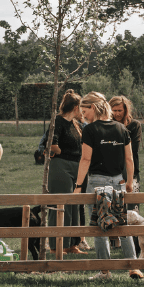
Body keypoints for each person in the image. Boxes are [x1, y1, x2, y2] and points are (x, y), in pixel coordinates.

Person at [75, 92, 144, 280]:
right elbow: (129, 159)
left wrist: (78, 185)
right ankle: (133, 267)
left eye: (85, 112)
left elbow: (85, 159)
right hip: (118, 181)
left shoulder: (90, 130)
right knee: (122, 225)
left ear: (93, 107)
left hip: (97, 181)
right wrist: (129, 182)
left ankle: (104, 271)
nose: (83, 116)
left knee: (100, 227)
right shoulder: (121, 128)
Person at [46, 91, 85, 254]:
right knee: (60, 204)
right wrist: (63, 153)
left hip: (76, 167)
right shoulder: (58, 121)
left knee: (74, 205)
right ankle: (56, 246)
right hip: (60, 166)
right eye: (81, 107)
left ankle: (71, 244)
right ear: (76, 107)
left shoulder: (76, 124)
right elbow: (51, 144)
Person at [109, 95, 142, 190]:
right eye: (114, 110)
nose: (117, 114)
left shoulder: (134, 125)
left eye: (120, 110)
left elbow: (134, 148)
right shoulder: (107, 126)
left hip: (130, 170)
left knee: (132, 197)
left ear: (125, 110)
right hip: (111, 171)